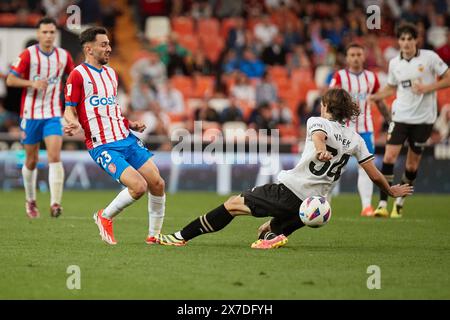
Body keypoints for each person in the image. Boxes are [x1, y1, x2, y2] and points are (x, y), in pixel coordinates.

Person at [155, 88, 413, 249]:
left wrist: (322, 148)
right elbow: (373, 172)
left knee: (232, 205)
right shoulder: (356, 139)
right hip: (312, 205)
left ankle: (181, 236)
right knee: (268, 229)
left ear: (326, 106)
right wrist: (389, 191)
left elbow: (319, 137)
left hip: (290, 190)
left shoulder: (317, 122)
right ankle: (277, 232)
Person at [63, 27, 166, 245]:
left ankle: (154, 236)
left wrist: (129, 123)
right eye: (104, 45)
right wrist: (71, 122)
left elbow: (111, 108)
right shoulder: (78, 75)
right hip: (103, 145)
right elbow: (69, 108)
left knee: (157, 183)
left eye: (109, 44)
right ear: (89, 49)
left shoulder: (111, 74)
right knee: (138, 187)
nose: (109, 48)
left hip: (125, 137)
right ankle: (104, 216)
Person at [369, 23, 450, 218]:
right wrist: (375, 97)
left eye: (409, 39)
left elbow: (448, 78)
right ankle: (382, 203)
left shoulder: (429, 58)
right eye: (402, 39)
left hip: (424, 120)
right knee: (388, 158)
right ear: (399, 41)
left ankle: (399, 202)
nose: (405, 42)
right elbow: (391, 87)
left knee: (412, 166)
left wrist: (427, 88)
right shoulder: (394, 63)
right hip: (401, 116)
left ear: (416, 40)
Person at [6, 17, 75, 218]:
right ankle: (31, 199)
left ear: (56, 34)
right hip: (31, 114)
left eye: (52, 32)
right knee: (32, 160)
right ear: (38, 34)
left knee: (55, 156)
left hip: (53, 114)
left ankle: (55, 204)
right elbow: (10, 79)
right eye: (44, 32)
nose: (48, 36)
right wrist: (31, 83)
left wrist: (73, 109)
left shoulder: (64, 56)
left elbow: (72, 80)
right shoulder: (29, 55)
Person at [329, 43, 391, 217]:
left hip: (365, 131)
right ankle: (325, 204)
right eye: (352, 55)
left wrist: (390, 122)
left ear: (363, 56)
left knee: (366, 168)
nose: (356, 58)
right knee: (334, 167)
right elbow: (330, 99)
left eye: (358, 54)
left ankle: (366, 207)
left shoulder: (372, 78)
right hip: (341, 130)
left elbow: (379, 101)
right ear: (347, 58)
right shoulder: (340, 76)